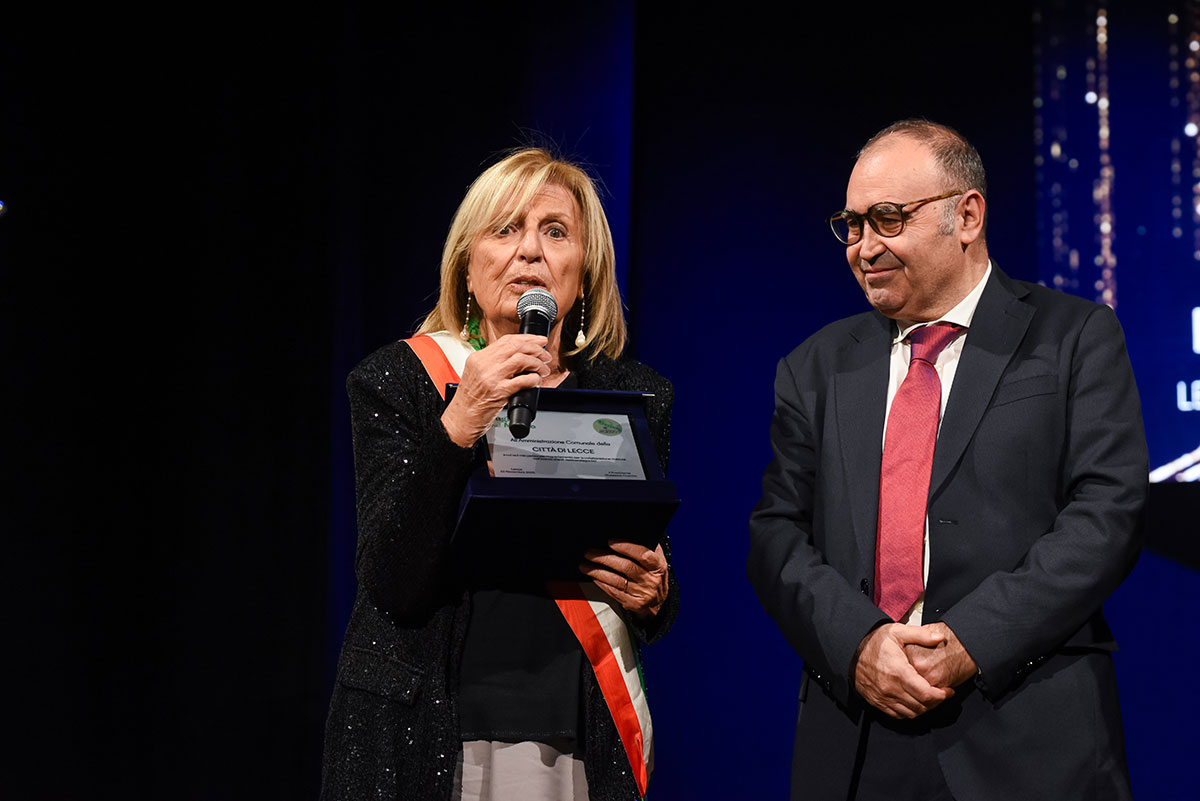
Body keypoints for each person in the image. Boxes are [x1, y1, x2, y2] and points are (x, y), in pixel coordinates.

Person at [747, 120, 1147, 801]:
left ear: (967, 216)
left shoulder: (1074, 336)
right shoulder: (813, 366)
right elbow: (775, 533)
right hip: (857, 738)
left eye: (888, 219)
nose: (864, 246)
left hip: (1027, 733)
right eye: (852, 225)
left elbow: (1108, 514)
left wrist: (970, 640)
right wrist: (858, 644)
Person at [320, 148, 677, 801]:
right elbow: (391, 581)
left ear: (584, 273)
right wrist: (460, 420)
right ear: (467, 265)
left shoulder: (635, 396)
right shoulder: (398, 381)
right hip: (423, 730)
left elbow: (646, 559)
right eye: (506, 228)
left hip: (575, 738)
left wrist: (657, 594)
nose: (530, 250)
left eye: (555, 231)